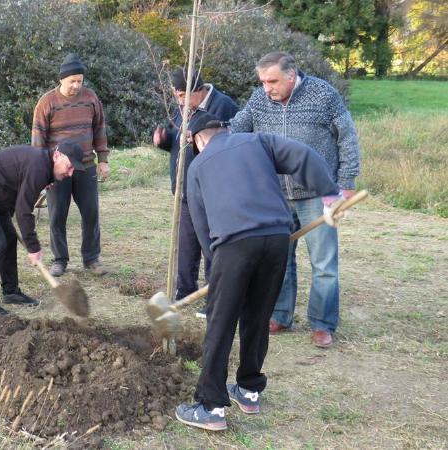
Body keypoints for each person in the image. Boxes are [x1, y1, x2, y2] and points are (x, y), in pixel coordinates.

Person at [175, 113, 344, 431]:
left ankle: (209, 406)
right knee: (257, 316)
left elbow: (201, 223)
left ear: (198, 140)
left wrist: (218, 266)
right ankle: (249, 389)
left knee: (220, 323)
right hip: (278, 237)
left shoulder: (197, 166)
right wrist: (330, 194)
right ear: (222, 130)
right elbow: (302, 154)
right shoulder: (257, 141)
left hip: (234, 244)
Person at [230, 51, 360, 348]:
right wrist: (203, 135)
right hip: (274, 195)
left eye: (272, 81)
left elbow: (347, 137)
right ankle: (279, 315)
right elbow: (237, 128)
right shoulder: (259, 100)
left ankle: (322, 324)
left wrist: (346, 182)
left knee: (324, 262)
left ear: (291, 75)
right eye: (262, 81)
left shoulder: (323, 95)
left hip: (318, 194)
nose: (267, 88)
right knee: (279, 260)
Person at [0, 143, 87, 315]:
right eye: (69, 166)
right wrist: (33, 248)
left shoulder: (43, 166)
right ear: (57, 156)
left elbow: (21, 191)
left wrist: (48, 179)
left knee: (10, 240)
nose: (70, 173)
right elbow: (23, 211)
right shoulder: (39, 167)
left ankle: (10, 292)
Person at [152, 68, 238, 318]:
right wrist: (165, 140)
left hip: (212, 189)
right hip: (185, 188)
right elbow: (179, 143)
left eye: (182, 95)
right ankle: (184, 291)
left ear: (198, 91)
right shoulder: (182, 108)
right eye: (176, 95)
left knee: (211, 243)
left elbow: (228, 144)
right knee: (187, 243)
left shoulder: (224, 107)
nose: (179, 101)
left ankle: (213, 297)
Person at [31, 53, 110, 277]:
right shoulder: (47, 103)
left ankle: (91, 258)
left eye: (80, 81)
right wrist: (42, 172)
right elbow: (38, 139)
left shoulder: (91, 98)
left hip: (86, 166)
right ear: (62, 80)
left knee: (91, 213)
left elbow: (100, 129)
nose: (76, 85)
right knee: (57, 216)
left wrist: (103, 160)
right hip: (57, 171)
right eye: (72, 81)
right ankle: (60, 260)